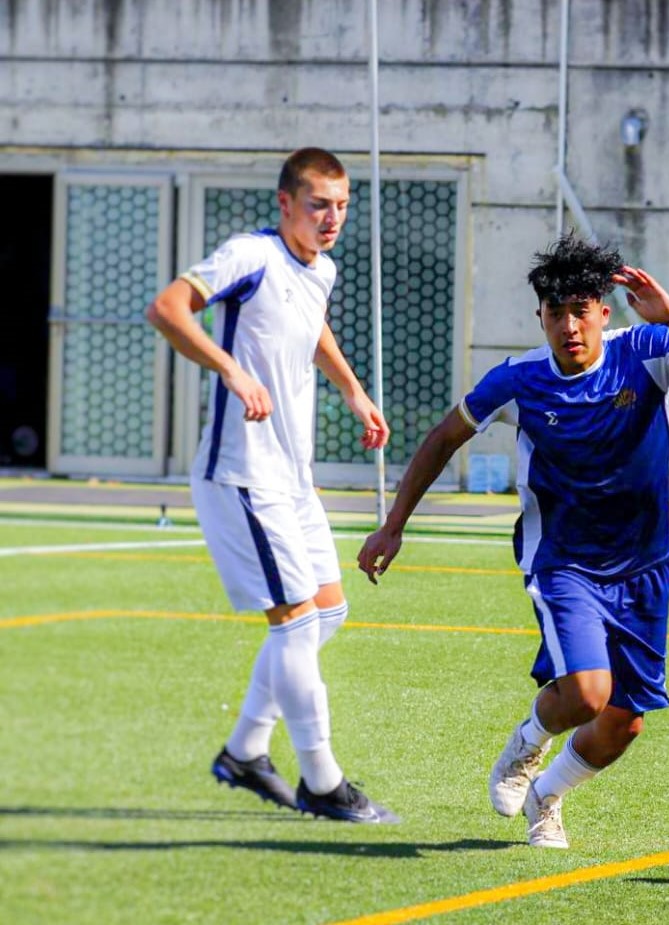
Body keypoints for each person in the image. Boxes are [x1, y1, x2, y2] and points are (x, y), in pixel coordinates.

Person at [357, 235, 669, 847]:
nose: (569, 326)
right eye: (555, 313)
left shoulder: (647, 351)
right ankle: (526, 745)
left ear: (604, 310)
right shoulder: (520, 379)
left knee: (624, 725)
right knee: (590, 693)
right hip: (562, 562)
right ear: (539, 316)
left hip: (646, 565)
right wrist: (395, 523)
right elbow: (444, 438)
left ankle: (547, 795)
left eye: (580, 310)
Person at [145, 147, 398, 824]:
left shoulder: (323, 266)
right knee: (296, 623)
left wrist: (353, 390)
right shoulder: (248, 255)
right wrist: (230, 367)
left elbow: (311, 324)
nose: (332, 218)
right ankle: (322, 780)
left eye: (342, 205)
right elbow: (168, 309)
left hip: (293, 478)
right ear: (285, 203)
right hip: (242, 473)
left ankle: (245, 749)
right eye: (319, 204)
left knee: (329, 611)